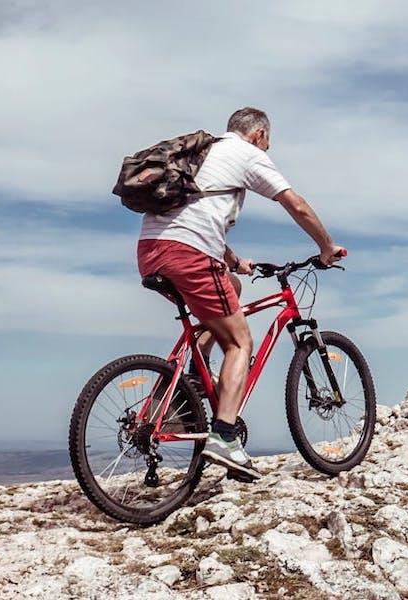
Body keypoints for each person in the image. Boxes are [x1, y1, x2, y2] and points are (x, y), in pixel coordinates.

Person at [137, 107, 345, 481]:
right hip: (189, 254)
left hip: (152, 252)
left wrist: (233, 260)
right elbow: (294, 203)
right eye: (268, 141)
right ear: (259, 134)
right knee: (239, 342)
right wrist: (326, 245)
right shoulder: (247, 155)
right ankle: (224, 437)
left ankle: (195, 380)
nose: (268, 147)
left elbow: (195, 216)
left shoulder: (202, 154)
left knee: (228, 290)